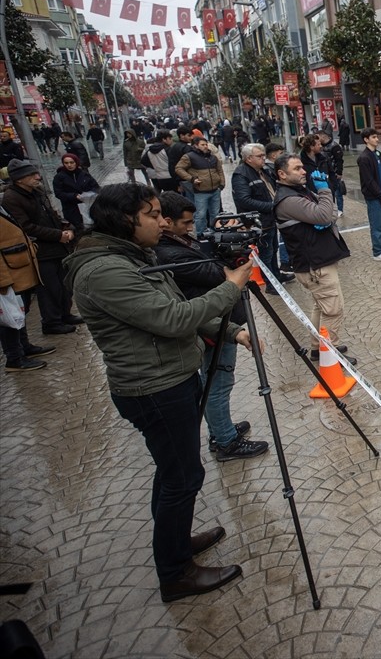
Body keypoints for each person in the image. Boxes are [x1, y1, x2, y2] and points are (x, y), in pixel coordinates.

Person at [63, 183, 253, 602]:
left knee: (173, 473)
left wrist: (233, 332)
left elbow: (173, 309)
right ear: (124, 220)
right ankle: (175, 572)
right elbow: (173, 319)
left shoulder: (131, 257)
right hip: (154, 388)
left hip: (170, 377)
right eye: (151, 215)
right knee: (183, 478)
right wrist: (231, 287)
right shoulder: (106, 271)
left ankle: (177, 541)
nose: (162, 222)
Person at [155, 192, 269, 462]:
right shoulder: (170, 254)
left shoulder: (177, 242)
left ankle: (221, 429)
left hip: (219, 321)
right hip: (214, 326)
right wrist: (232, 255)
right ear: (167, 221)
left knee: (216, 382)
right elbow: (222, 275)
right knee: (218, 383)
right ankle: (226, 442)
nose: (191, 227)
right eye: (185, 223)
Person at [273, 154, 355, 362]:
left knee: (321, 306)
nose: (304, 171)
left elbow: (330, 213)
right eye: (297, 168)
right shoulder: (288, 200)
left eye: (302, 167)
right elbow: (325, 215)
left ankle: (318, 348)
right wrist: (325, 191)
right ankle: (331, 355)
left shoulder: (299, 191)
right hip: (315, 265)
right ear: (282, 174)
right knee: (333, 309)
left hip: (319, 260)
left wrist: (324, 210)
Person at [2, 159, 81, 335]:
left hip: (57, 247)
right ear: (19, 179)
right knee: (49, 288)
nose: (37, 177)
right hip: (40, 251)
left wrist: (67, 227)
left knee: (64, 284)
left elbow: (52, 214)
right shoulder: (11, 198)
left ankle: (65, 314)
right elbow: (25, 227)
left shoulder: (37, 191)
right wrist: (58, 235)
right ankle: (52, 322)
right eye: (31, 175)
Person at [0, 200, 54, 371]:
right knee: (9, 318)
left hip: (17, 270)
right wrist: (2, 281)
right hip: (8, 275)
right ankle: (14, 358)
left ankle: (24, 347)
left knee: (21, 312)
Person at [231, 142, 291, 287]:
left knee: (273, 248)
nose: (263, 158)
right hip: (259, 221)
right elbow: (244, 200)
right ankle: (270, 284)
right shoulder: (241, 174)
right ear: (248, 158)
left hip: (270, 218)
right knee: (266, 253)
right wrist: (270, 206)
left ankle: (276, 275)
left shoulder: (264, 170)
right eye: (259, 156)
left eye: (263, 155)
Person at [357, 129, 381, 260]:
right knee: (377, 224)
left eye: (376, 137)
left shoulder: (378, 154)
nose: (377, 139)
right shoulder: (364, 158)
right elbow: (368, 181)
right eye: (373, 137)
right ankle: (378, 252)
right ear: (366, 139)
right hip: (375, 197)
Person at [174, 137, 225, 238]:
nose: (205, 146)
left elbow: (219, 170)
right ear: (196, 145)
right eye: (202, 145)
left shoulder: (212, 157)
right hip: (201, 191)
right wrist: (191, 179)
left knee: (215, 214)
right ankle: (201, 234)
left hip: (215, 190)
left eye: (206, 144)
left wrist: (222, 184)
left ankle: (215, 232)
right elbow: (178, 168)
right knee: (201, 214)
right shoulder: (189, 156)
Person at [51, 154, 100, 231]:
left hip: (87, 205)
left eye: (71, 162)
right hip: (71, 209)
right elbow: (59, 193)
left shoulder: (84, 174)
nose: (69, 165)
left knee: (92, 227)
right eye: (66, 163)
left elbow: (96, 187)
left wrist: (90, 194)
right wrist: (74, 196)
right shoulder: (59, 177)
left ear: (76, 162)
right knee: (77, 229)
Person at [318, 130, 346, 215]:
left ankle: (340, 209)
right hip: (325, 173)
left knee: (337, 192)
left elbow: (339, 160)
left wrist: (339, 172)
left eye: (318, 137)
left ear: (323, 136)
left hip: (334, 172)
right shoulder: (320, 146)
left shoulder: (334, 146)